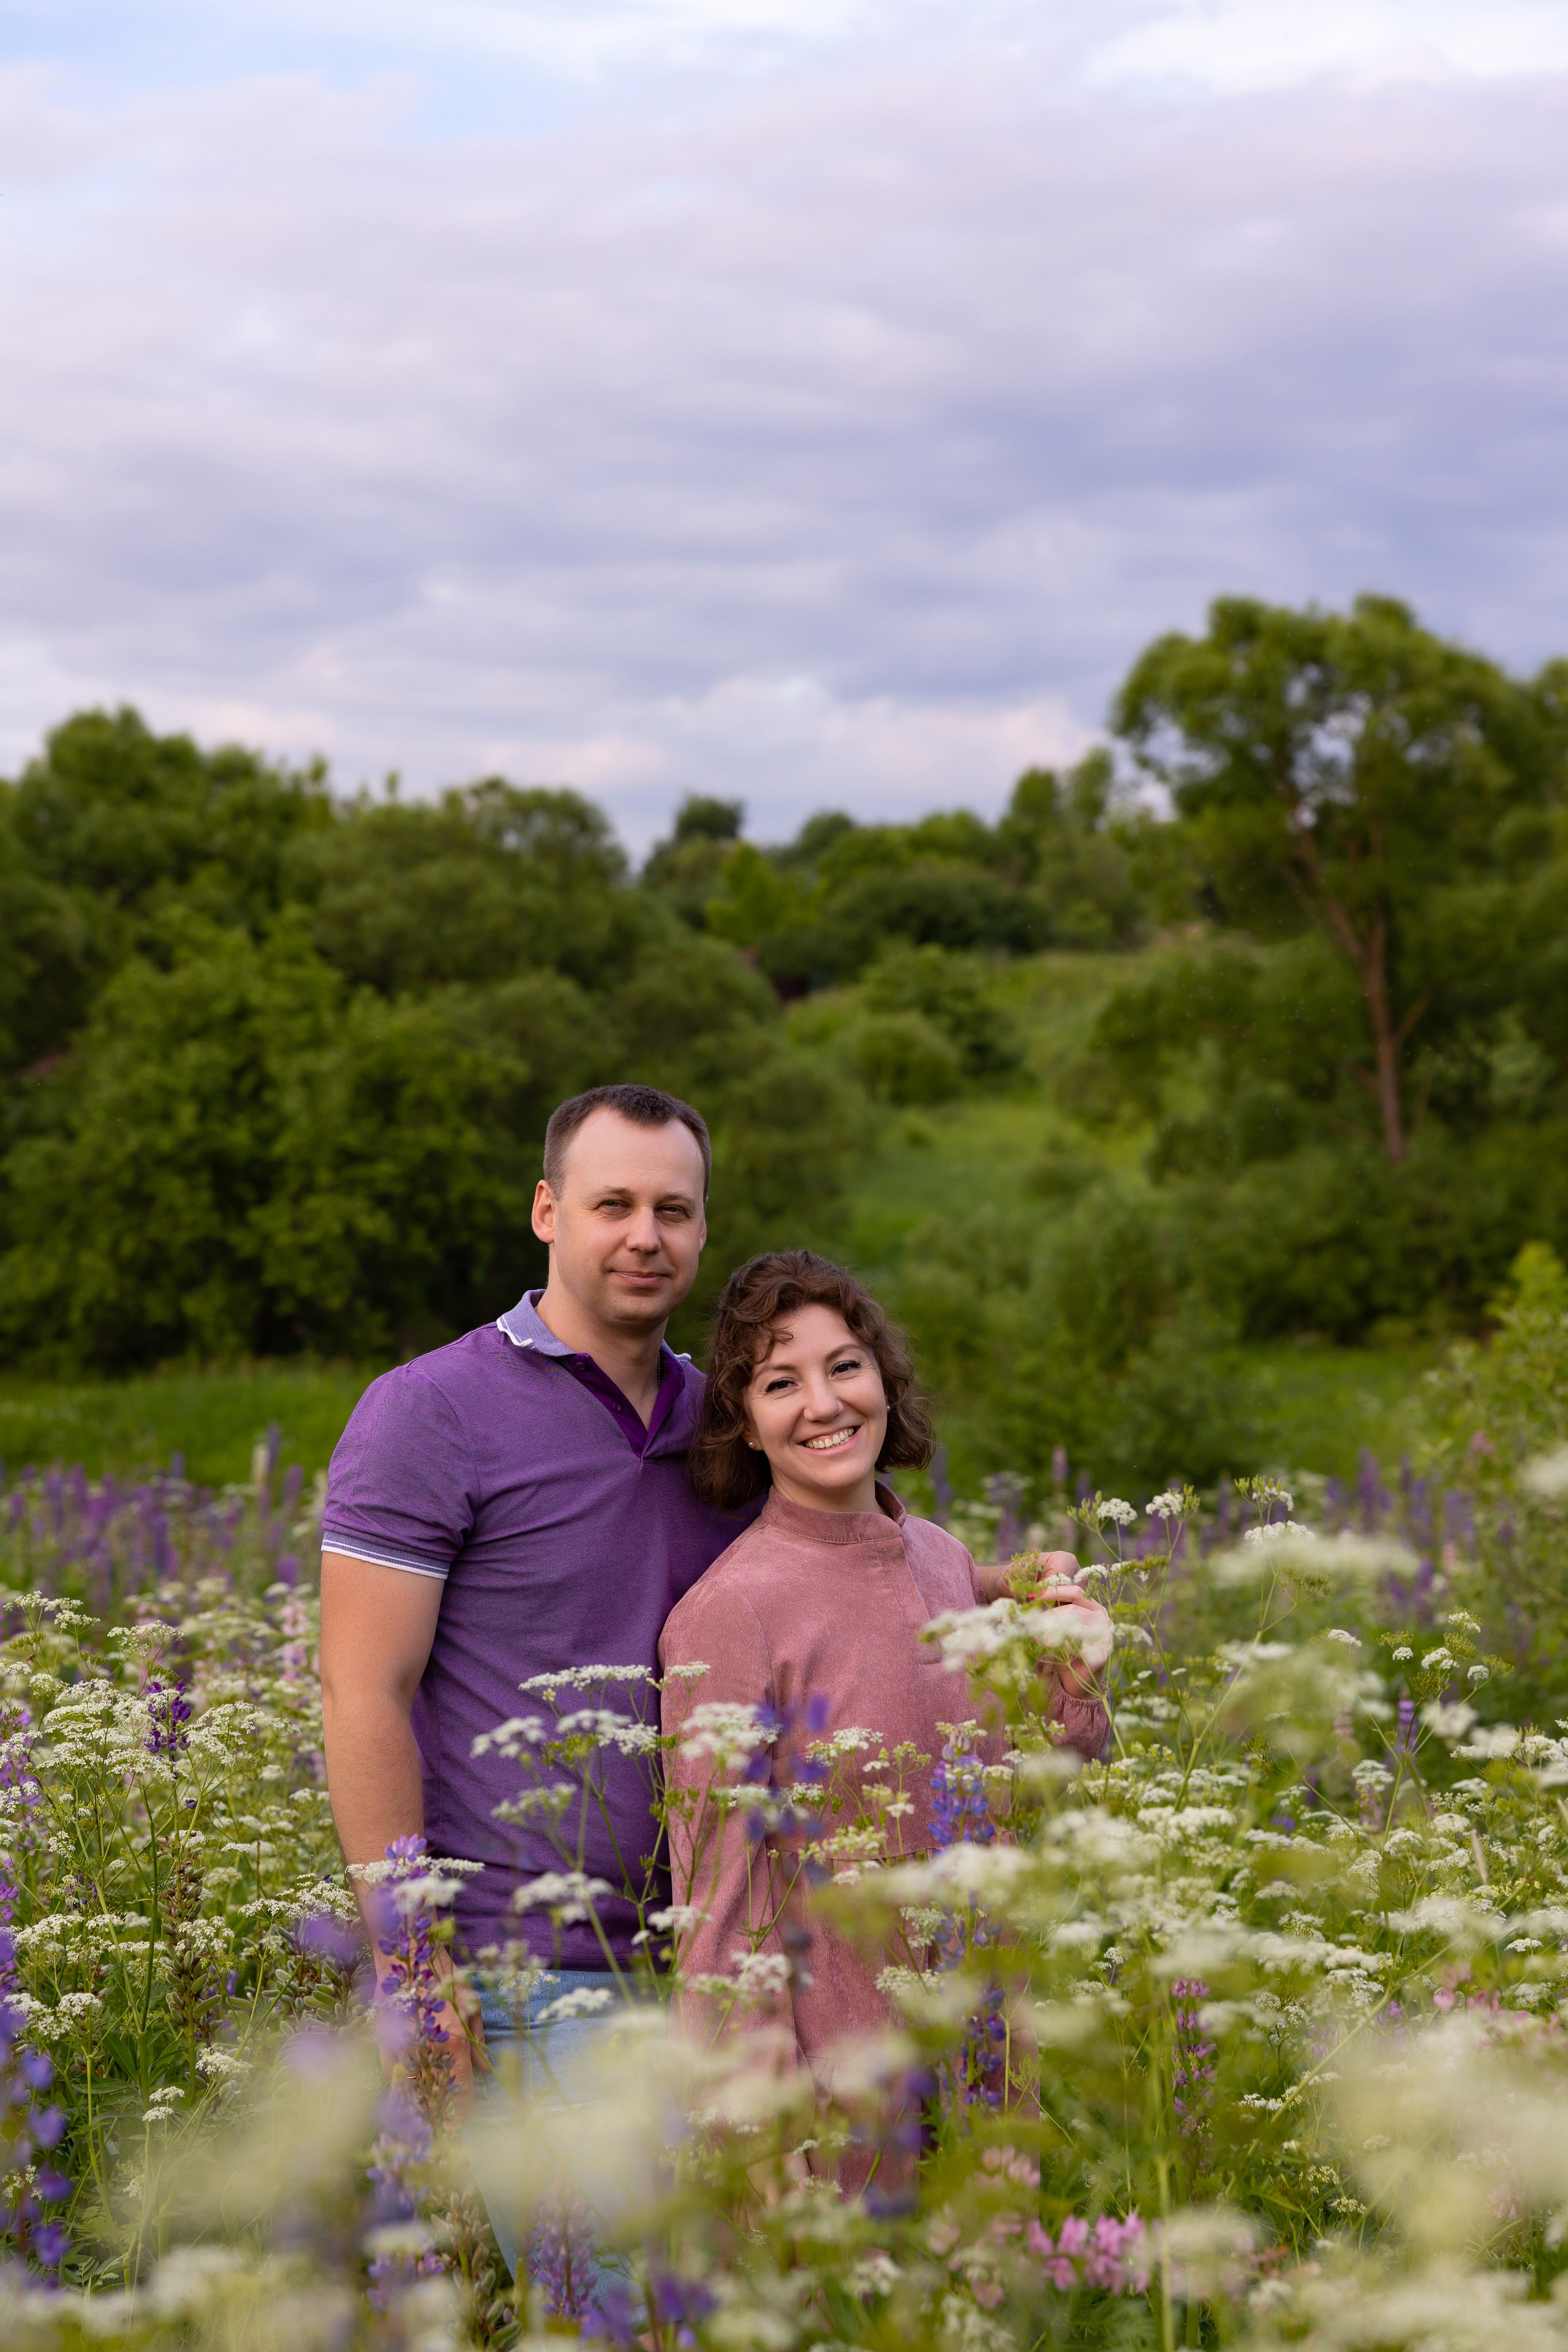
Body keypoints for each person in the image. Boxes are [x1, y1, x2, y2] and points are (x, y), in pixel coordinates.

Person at [318, 1084, 749, 2274]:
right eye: (612, 1203)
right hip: (528, 1970)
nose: (644, 1234)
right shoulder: (429, 1411)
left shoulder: (725, 1425)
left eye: (674, 1208)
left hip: (718, 1965)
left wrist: (1025, 1589)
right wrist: (412, 1965)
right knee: (619, 2310)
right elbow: (363, 1692)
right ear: (546, 1213)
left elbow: (860, 1565)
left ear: (703, 1230)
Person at [657, 1250, 1112, 2183]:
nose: (824, 1404)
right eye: (782, 1383)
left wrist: (1074, 1674)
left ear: (883, 1379)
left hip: (988, 2066)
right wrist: (756, 2120)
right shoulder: (730, 1612)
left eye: (845, 1367)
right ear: (745, 1424)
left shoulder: (941, 1557)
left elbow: (1029, 1780)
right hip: (837, 2103)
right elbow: (719, 1903)